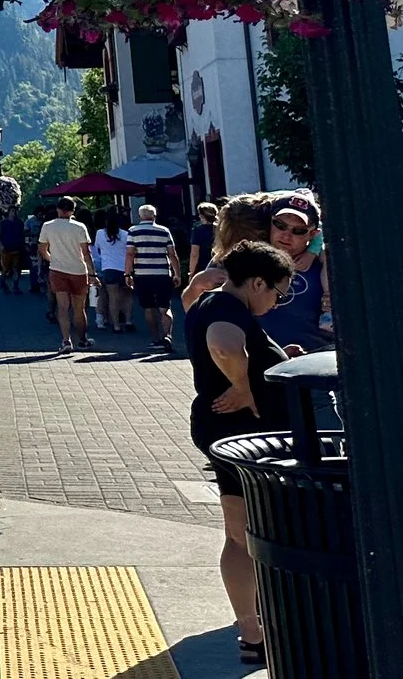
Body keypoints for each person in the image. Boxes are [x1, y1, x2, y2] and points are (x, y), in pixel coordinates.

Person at [185, 243, 300, 669]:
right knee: (249, 533)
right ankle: (256, 630)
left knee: (240, 532)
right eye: (277, 292)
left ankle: (253, 630)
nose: (276, 301)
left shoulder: (211, 302)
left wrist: (275, 362)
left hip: (227, 432)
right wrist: (244, 387)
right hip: (244, 436)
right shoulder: (226, 309)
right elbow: (224, 346)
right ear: (256, 282)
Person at [256, 203, 333, 353]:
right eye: (280, 225)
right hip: (264, 364)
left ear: (313, 234)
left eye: (298, 230)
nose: (286, 235)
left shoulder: (325, 265)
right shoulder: (246, 260)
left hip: (315, 361)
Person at [38, 198, 95, 353]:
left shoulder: (48, 226)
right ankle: (82, 339)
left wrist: (52, 259)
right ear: (73, 210)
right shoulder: (79, 227)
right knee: (79, 308)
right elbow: (86, 253)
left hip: (57, 270)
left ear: (58, 209)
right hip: (78, 270)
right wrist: (92, 273)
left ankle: (66, 341)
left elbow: (42, 249)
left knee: (62, 307)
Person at [125, 204, 182, 354]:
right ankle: (168, 336)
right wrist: (177, 273)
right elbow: (172, 254)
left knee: (149, 308)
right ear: (154, 216)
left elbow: (130, 253)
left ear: (140, 217)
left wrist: (127, 273)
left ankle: (156, 338)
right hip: (162, 273)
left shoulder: (133, 231)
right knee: (165, 307)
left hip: (143, 274)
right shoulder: (164, 231)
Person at [91, 208, 135, 334]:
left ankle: (116, 325)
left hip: (108, 268)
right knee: (127, 296)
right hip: (124, 269)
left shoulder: (100, 233)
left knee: (112, 297)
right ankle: (128, 321)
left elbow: (98, 248)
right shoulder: (126, 234)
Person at [0, 208, 28, 295]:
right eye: (12, 211)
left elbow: (22, 234)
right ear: (9, 212)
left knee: (16, 268)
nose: (14, 213)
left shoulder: (19, 222)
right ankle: (3, 282)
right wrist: (1, 245)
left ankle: (15, 286)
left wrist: (24, 245)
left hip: (17, 249)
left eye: (15, 211)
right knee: (5, 269)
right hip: (6, 249)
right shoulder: (2, 223)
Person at [188, 201, 219, 275]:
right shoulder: (222, 229)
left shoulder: (197, 231)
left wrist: (191, 272)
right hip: (221, 266)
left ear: (202, 216)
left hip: (203, 268)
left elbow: (194, 254)